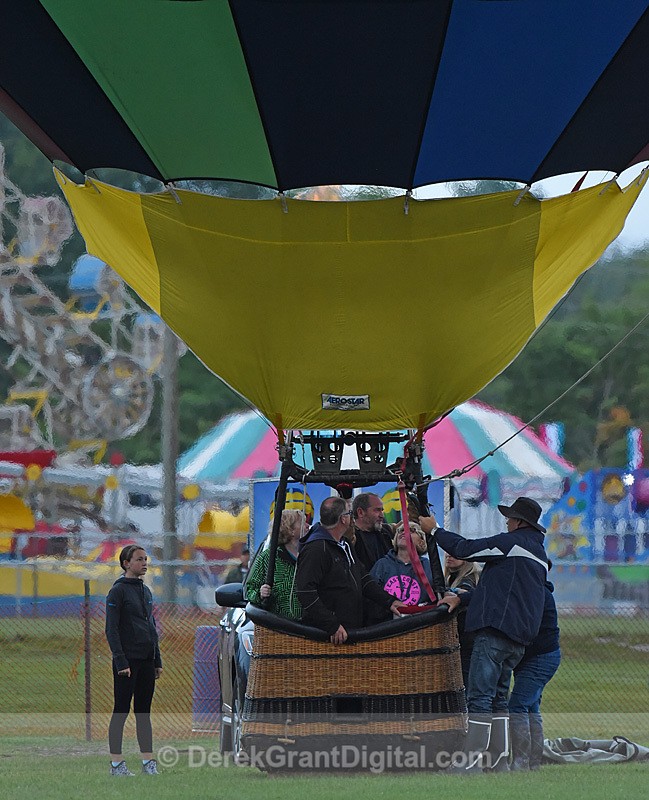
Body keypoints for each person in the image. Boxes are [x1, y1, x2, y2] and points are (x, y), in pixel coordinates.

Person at [420, 496, 548, 773]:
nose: (507, 522)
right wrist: (465, 599)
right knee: (499, 699)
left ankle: (469, 764)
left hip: (495, 633)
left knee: (479, 698)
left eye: (510, 518)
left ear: (519, 522)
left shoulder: (512, 543)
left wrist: (434, 530)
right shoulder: (538, 554)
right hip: (518, 640)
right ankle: (498, 762)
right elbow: (503, 591)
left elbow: (465, 548)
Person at [296, 496, 406, 643]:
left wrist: (389, 602)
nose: (352, 518)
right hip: (329, 637)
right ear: (343, 519)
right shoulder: (316, 549)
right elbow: (305, 592)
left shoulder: (345, 544)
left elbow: (362, 578)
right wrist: (332, 624)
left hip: (351, 629)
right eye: (349, 514)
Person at [105, 544, 162, 776]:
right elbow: (112, 629)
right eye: (139, 559)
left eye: (145, 559)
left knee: (143, 712)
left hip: (146, 659)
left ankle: (148, 762)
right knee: (121, 710)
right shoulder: (117, 591)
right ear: (126, 563)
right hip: (127, 662)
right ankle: (117, 763)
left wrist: (157, 659)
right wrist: (121, 661)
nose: (144, 563)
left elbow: (151, 627)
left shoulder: (145, 591)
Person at [509, 562, 561, 771]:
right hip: (539, 657)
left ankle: (522, 761)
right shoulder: (537, 592)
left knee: (517, 705)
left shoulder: (537, 594)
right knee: (531, 707)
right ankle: (533, 762)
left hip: (539, 657)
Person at [246, 509, 304, 619]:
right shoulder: (268, 557)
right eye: (302, 523)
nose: (307, 526)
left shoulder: (311, 555)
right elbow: (250, 590)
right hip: (278, 626)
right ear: (290, 530)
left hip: (311, 628)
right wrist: (260, 594)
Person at [370, 522, 434, 611]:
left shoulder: (428, 566)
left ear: (421, 540)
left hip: (420, 621)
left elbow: (440, 594)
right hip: (388, 622)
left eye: (412, 530)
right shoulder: (382, 565)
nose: (404, 532)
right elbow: (372, 595)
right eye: (400, 530)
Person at [444, 553, 481, 687]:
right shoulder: (451, 577)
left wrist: (452, 592)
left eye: (455, 554)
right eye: (447, 554)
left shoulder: (468, 578)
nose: (449, 556)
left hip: (467, 639)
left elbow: (465, 592)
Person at [350, 492, 393, 573]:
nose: (382, 515)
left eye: (382, 510)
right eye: (377, 510)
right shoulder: (350, 539)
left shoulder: (385, 532)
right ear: (360, 512)